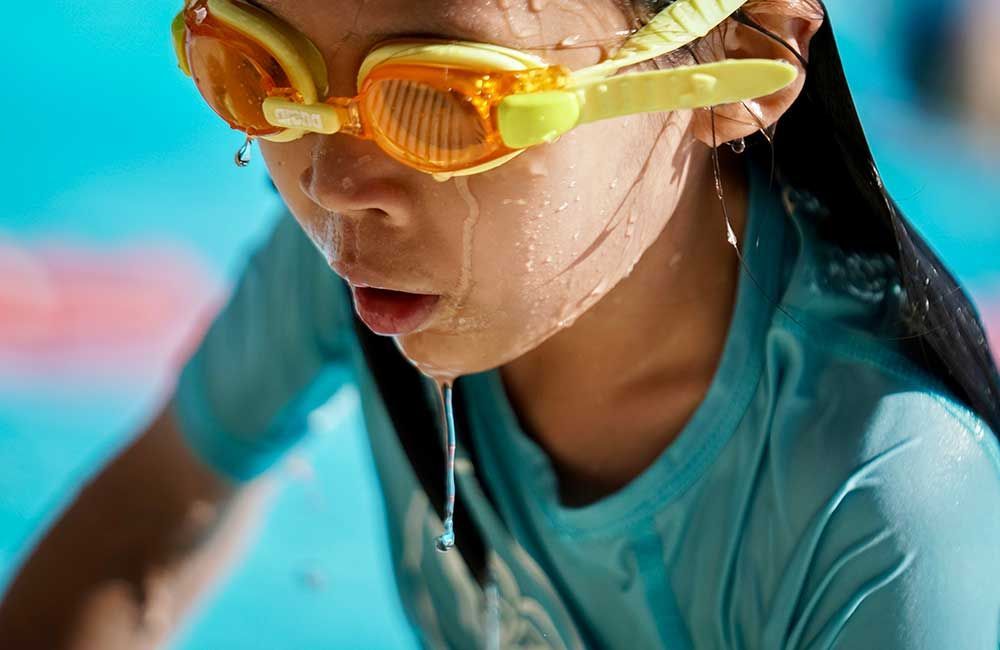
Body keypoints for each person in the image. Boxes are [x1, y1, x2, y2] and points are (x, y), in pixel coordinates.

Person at [3, 0, 1000, 648]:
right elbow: (141, 533)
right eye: (260, 73)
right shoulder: (385, 260)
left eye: (447, 103)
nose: (337, 187)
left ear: (740, 61)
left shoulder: (884, 514)